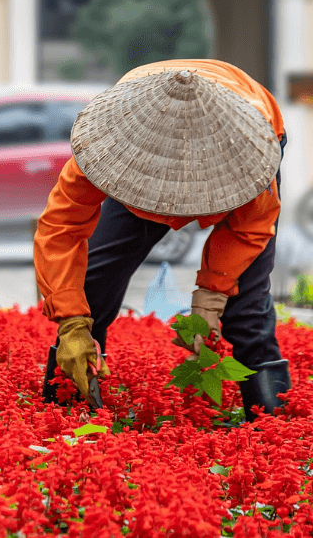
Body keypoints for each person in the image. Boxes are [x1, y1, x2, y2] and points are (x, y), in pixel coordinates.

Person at [35, 60, 290, 421]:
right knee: (92, 285)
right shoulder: (107, 145)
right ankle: (71, 407)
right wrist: (72, 322)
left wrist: (212, 295)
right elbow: (61, 228)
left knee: (244, 307)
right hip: (141, 149)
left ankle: (274, 423)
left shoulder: (250, 153)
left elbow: (249, 229)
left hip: (236, 133)